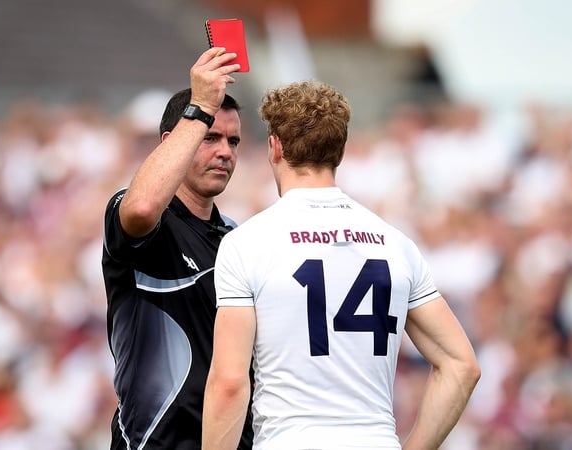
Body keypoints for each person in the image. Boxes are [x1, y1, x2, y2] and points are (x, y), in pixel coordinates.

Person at [202, 80, 481, 449]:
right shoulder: (397, 245)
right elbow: (462, 365)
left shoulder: (247, 244)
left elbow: (230, 383)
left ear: (275, 147)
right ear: (341, 150)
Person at [101, 47, 253, 450]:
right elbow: (143, 207)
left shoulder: (237, 239)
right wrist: (201, 104)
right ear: (175, 142)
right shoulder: (140, 215)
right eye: (210, 137)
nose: (225, 152)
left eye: (233, 141)